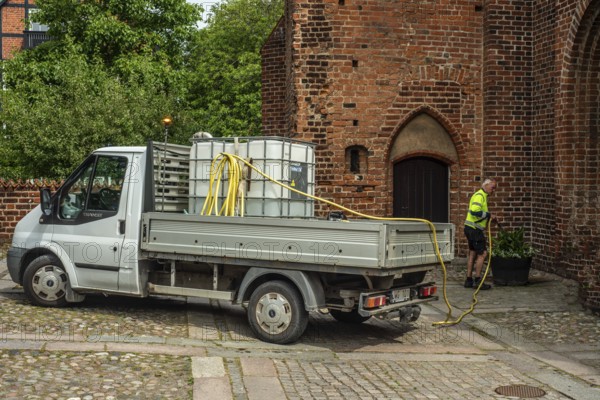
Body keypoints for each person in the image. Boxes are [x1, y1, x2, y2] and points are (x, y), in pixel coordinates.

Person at [463, 178, 497, 290]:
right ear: (486, 186)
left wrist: (489, 215)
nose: (493, 191)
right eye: (492, 188)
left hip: (469, 228)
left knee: (473, 254)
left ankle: (468, 280)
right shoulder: (480, 196)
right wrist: (488, 215)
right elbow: (475, 211)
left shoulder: (480, 195)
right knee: (482, 254)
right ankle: (478, 281)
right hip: (474, 230)